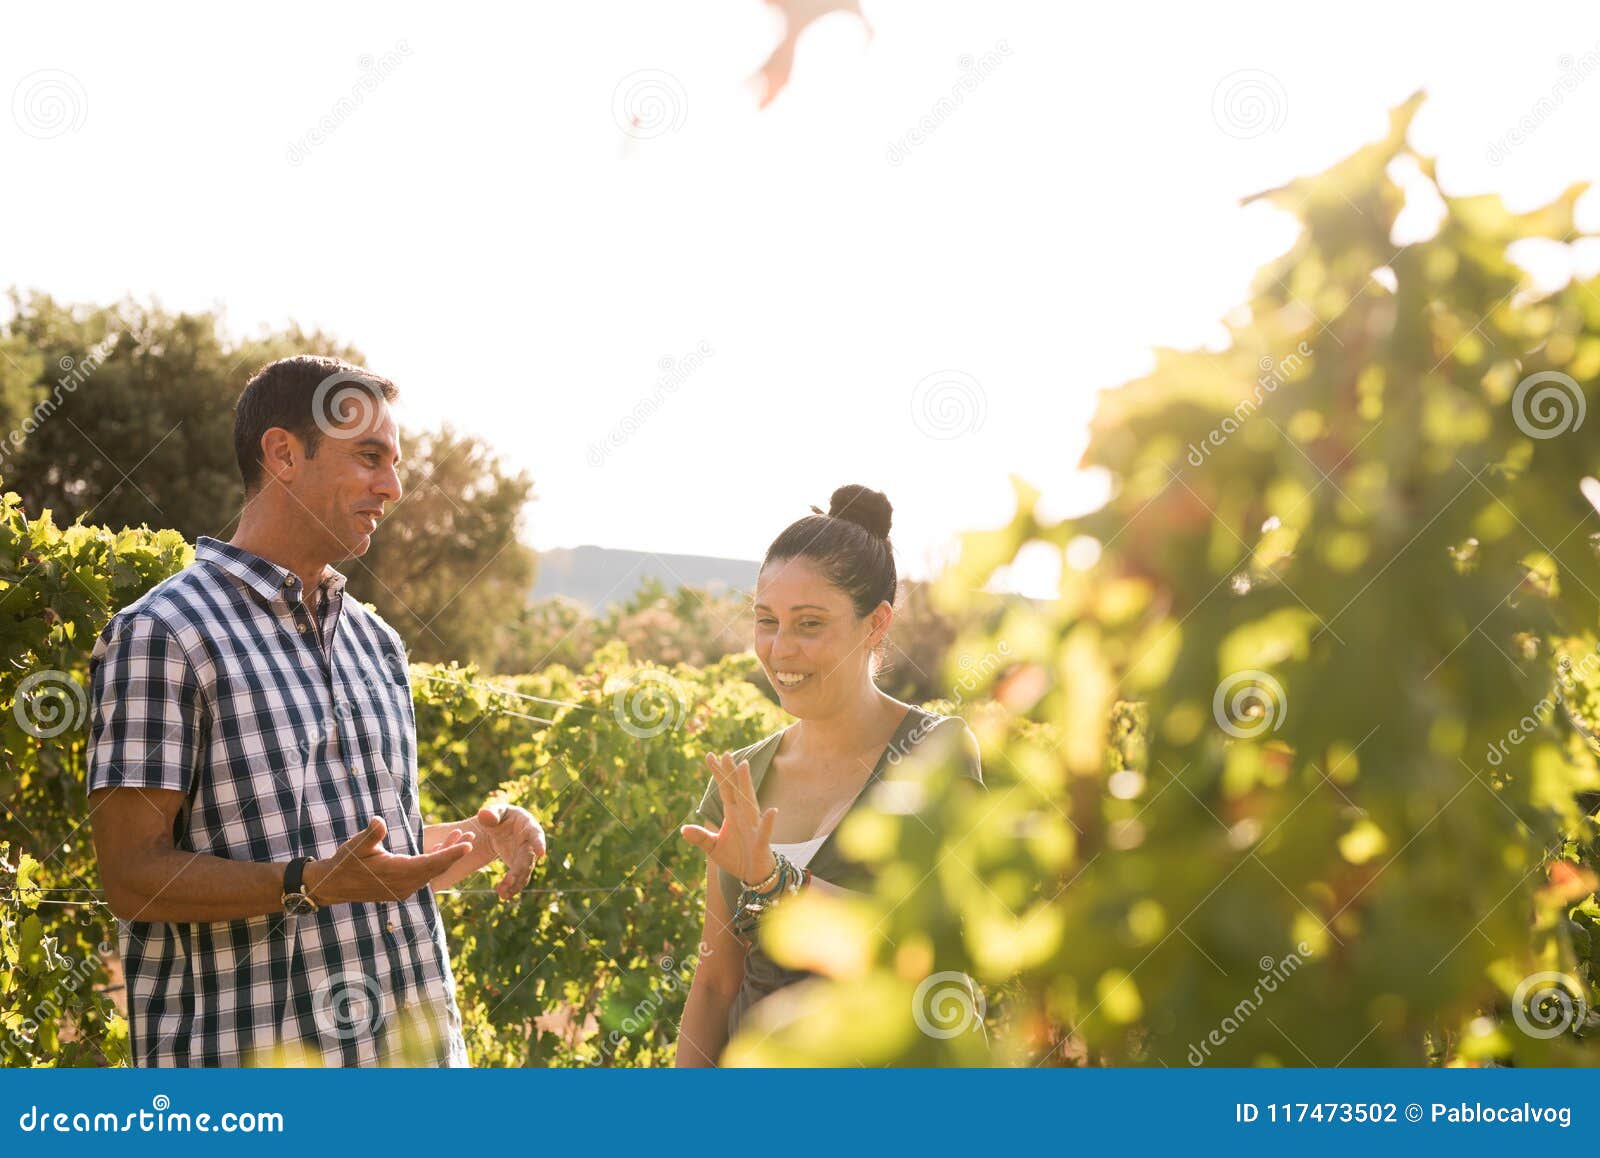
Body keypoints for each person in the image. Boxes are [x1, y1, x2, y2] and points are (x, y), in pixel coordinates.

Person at [85, 355, 546, 1067]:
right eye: (369, 458)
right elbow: (130, 874)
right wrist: (303, 885)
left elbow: (366, 861)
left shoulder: (377, 642)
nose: (391, 487)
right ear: (283, 454)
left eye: (393, 463)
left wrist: (475, 843)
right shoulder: (165, 634)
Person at [674, 484, 982, 1065]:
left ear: (876, 623)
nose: (779, 649)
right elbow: (716, 984)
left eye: (809, 624)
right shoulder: (740, 777)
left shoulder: (937, 752)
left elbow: (934, 947)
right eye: (766, 621)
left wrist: (776, 883)